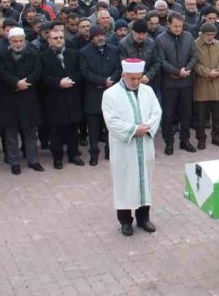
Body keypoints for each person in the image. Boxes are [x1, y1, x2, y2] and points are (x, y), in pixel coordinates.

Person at [102, 58, 162, 237]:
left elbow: (156, 112)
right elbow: (112, 121)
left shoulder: (147, 91)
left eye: (138, 78)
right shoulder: (110, 94)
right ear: (123, 75)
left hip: (145, 144)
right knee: (125, 182)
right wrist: (134, 130)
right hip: (124, 148)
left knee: (144, 180)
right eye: (132, 78)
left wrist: (147, 128)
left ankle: (143, 219)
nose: (136, 82)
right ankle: (125, 221)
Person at [0, 27, 44, 174]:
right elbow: (1, 72)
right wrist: (16, 83)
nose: (18, 44)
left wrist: (26, 82)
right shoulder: (2, 55)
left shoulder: (32, 53)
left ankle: (33, 160)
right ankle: (14, 162)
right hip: (9, 98)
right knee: (11, 132)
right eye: (15, 41)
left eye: (20, 41)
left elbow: (37, 70)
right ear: (9, 41)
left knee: (31, 131)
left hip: (28, 97)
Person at [39, 28, 84, 169]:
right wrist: (59, 83)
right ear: (49, 40)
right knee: (56, 131)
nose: (59, 40)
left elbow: (80, 72)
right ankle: (57, 158)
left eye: (61, 37)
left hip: (72, 96)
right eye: (55, 38)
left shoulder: (73, 54)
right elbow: (42, 77)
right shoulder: (43, 56)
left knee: (73, 129)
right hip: (54, 99)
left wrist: (71, 80)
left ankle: (73, 155)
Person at [155, 12, 198, 155]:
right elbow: (162, 61)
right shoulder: (160, 39)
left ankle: (185, 140)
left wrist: (187, 69)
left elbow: (194, 55)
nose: (178, 29)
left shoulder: (188, 36)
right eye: (175, 26)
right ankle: (169, 142)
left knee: (186, 114)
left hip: (186, 83)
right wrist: (177, 72)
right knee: (168, 115)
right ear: (168, 24)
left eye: (180, 26)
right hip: (169, 84)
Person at [79, 26, 121, 165]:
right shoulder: (84, 52)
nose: (101, 38)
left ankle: (110, 152)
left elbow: (118, 68)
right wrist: (103, 81)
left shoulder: (114, 49)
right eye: (97, 36)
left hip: (111, 94)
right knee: (93, 128)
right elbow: (85, 72)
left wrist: (111, 80)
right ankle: (94, 154)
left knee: (110, 126)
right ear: (91, 38)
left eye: (102, 35)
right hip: (93, 95)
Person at [193, 22, 219, 149]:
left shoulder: (218, 44)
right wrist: (208, 73)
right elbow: (194, 64)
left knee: (217, 115)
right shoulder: (195, 44)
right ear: (202, 34)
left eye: (213, 34)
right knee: (201, 117)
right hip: (202, 85)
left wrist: (218, 71)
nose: (211, 37)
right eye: (208, 34)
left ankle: (216, 137)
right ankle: (201, 139)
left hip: (217, 84)